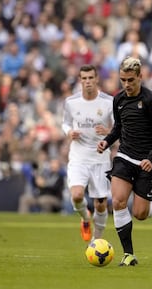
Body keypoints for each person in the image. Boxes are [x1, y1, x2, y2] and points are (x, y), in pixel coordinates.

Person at [97, 56, 152, 266]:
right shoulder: (118, 99)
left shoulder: (151, 100)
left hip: (148, 162)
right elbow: (118, 128)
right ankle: (128, 254)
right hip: (125, 156)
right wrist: (106, 141)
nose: (127, 85)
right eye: (123, 80)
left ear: (140, 76)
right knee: (118, 201)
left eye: (131, 80)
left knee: (140, 214)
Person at [62, 64, 114, 242]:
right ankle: (85, 218)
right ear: (80, 80)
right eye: (84, 78)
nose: (88, 81)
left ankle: (96, 241)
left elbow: (119, 127)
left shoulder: (108, 102)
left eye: (91, 78)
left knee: (101, 204)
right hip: (78, 157)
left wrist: (108, 131)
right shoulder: (71, 102)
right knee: (76, 195)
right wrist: (69, 132)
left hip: (100, 159)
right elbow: (65, 123)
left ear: (97, 78)